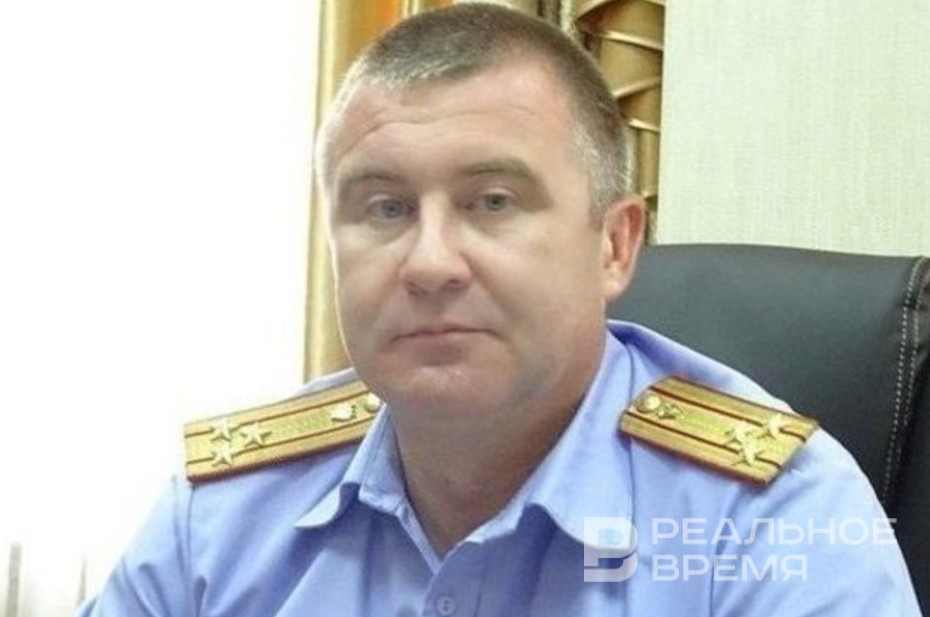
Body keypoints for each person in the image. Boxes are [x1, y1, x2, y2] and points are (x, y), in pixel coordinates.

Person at [76, 4, 921, 616]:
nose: (430, 263)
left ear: (614, 245)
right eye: (384, 208)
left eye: (492, 202)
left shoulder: (771, 517)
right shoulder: (224, 512)